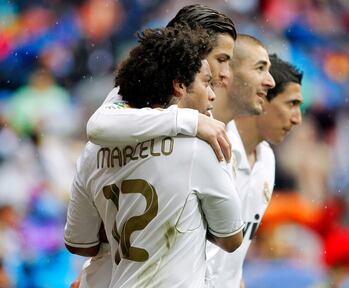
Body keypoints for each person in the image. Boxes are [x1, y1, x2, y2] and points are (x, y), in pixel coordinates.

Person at [64, 25, 244, 288]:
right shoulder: (197, 147)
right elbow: (231, 239)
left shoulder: (94, 150)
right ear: (179, 85)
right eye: (206, 82)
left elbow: (79, 243)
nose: (213, 92)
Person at [87, 4, 237, 162]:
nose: (225, 74)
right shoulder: (140, 86)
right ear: (192, 50)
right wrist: (190, 120)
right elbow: (98, 126)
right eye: (221, 60)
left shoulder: (210, 109)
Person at [205, 53, 304, 287]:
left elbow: (235, 253)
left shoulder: (267, 160)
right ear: (263, 99)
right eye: (291, 104)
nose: (297, 118)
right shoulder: (214, 144)